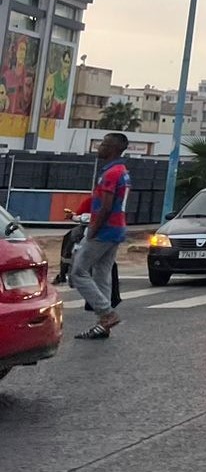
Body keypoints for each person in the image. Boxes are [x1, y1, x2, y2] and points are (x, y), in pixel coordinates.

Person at [71, 132, 130, 340]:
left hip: (104, 231)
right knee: (101, 275)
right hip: (115, 230)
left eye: (104, 144)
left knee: (77, 272)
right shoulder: (121, 171)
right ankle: (103, 326)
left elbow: (106, 206)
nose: (99, 147)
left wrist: (92, 230)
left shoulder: (111, 173)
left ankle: (107, 313)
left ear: (113, 149)